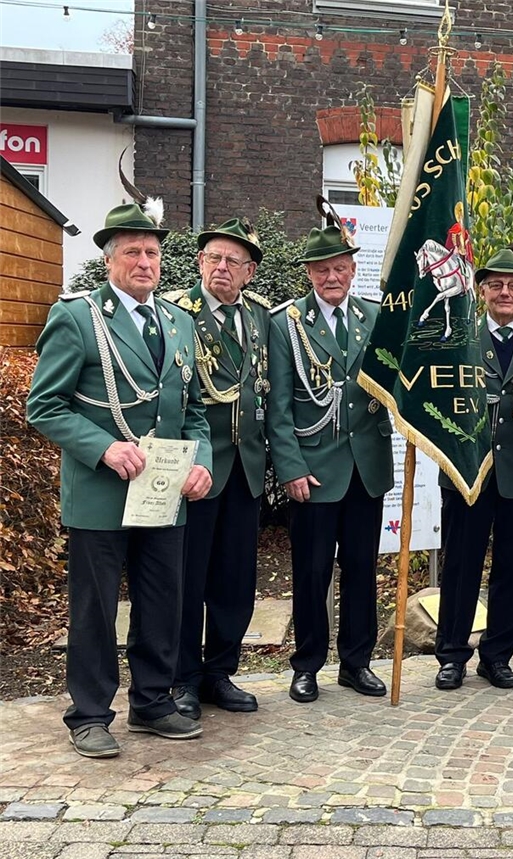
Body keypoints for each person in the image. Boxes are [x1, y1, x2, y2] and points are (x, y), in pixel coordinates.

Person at [27, 200, 213, 758]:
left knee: (163, 600)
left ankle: (152, 702)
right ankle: (88, 714)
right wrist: (104, 447)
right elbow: (45, 406)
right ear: (109, 260)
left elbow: (194, 408)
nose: (144, 261)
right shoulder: (78, 316)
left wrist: (200, 459)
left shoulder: (179, 321)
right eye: (132, 251)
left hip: (163, 494)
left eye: (153, 252)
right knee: (95, 607)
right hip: (102, 493)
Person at [267, 210, 394, 704]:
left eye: (340, 267)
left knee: (362, 570)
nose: (332, 277)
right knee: (312, 573)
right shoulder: (287, 323)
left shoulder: (374, 317)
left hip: (367, 468)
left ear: (352, 269)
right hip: (315, 471)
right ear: (309, 274)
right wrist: (291, 468)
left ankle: (356, 663)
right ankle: (307, 665)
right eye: (322, 270)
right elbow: (278, 405)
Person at [163, 218, 271, 720]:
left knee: (234, 580)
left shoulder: (259, 318)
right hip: (196, 472)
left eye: (232, 262)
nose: (221, 269)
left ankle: (219, 672)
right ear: (199, 263)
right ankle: (180, 678)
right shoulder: (176, 313)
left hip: (246, 467)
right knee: (186, 578)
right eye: (213, 258)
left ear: (249, 273)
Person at [434, 246, 513, 691]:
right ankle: (453, 655)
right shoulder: (455, 336)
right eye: (496, 285)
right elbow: (434, 399)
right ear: (480, 291)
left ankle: (498, 655)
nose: (505, 292)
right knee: (461, 564)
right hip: (467, 466)